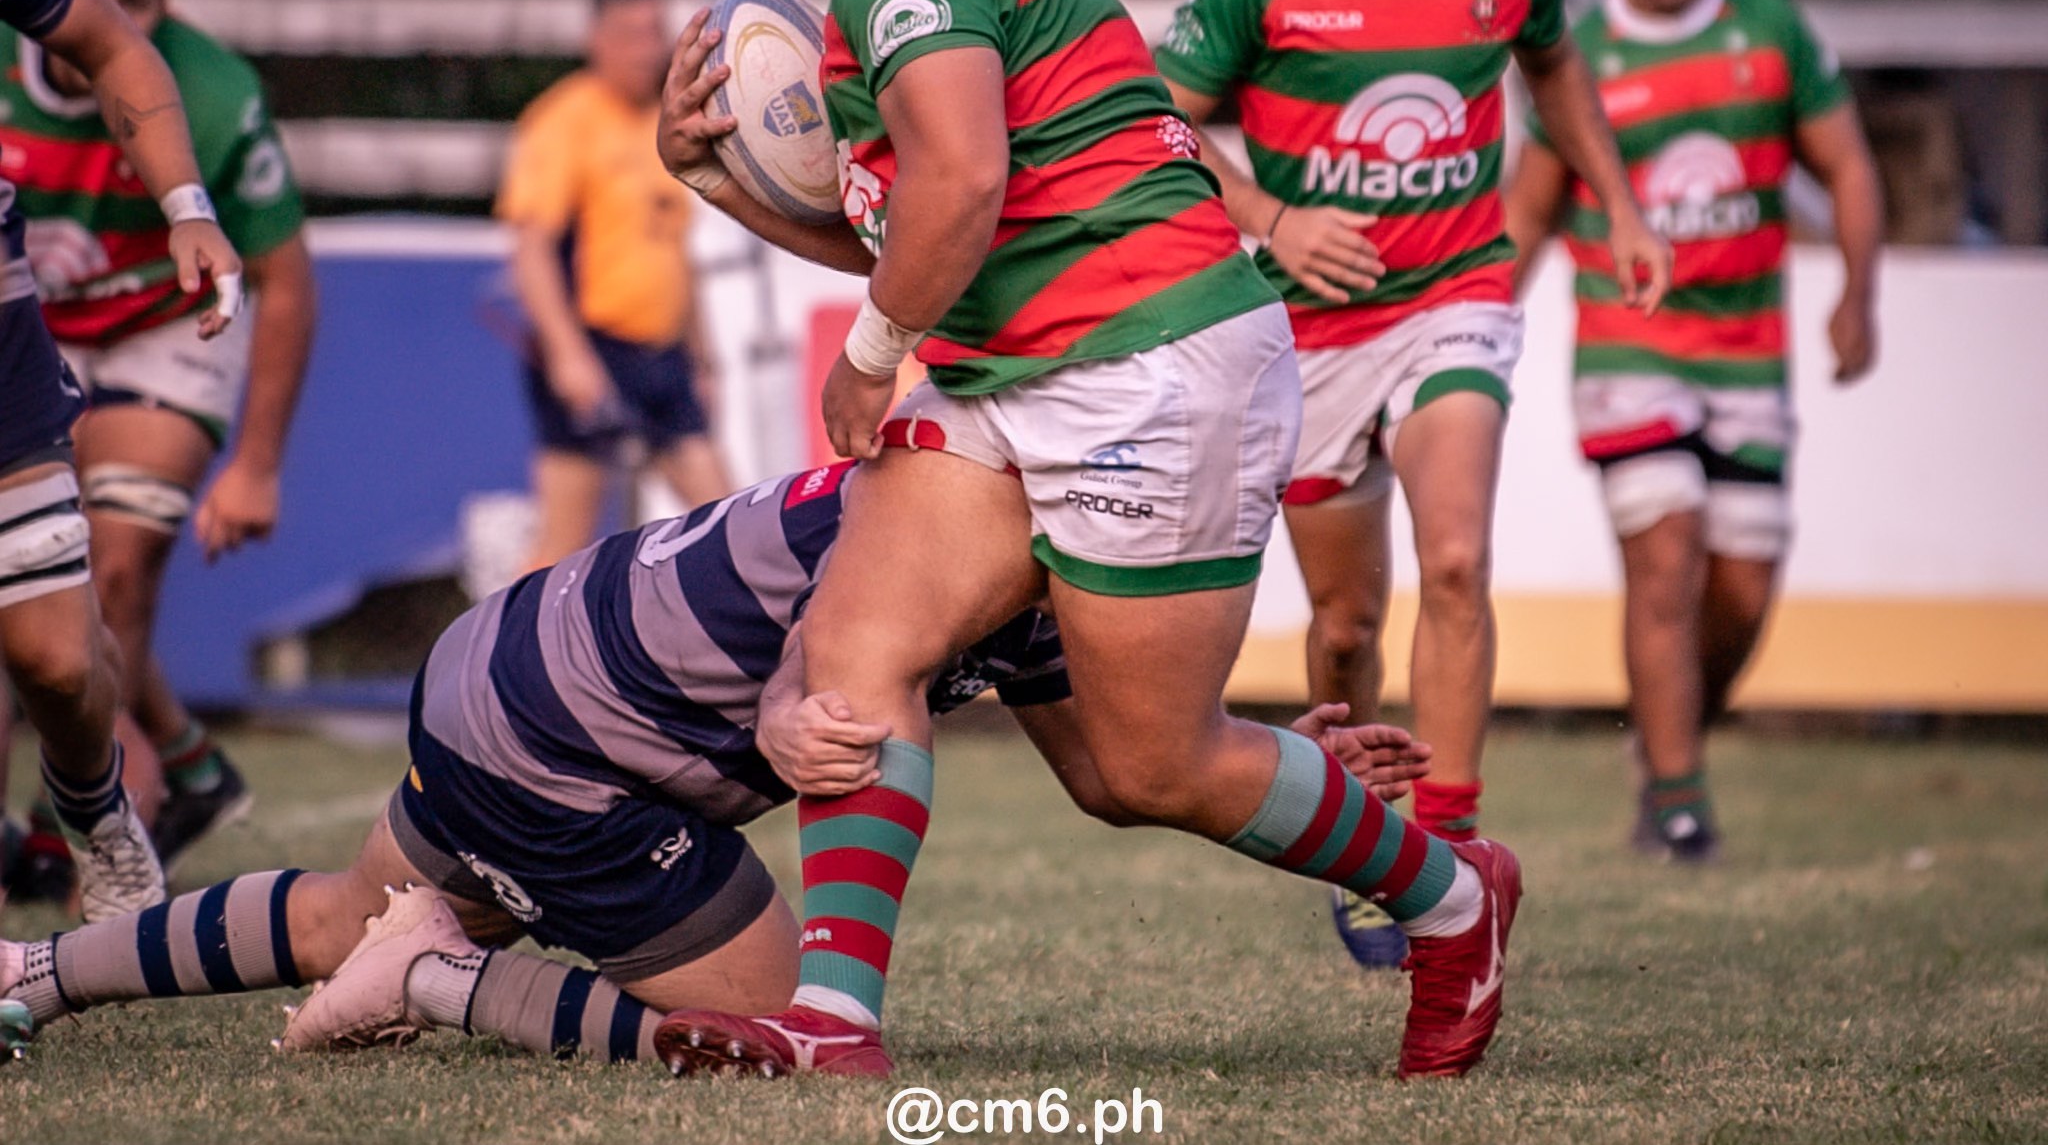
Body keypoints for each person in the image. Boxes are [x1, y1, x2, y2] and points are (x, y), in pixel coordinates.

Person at [651, 0, 1522, 1081]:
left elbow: (965, 180)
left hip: (1147, 361)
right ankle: (835, 1020)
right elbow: (919, 218)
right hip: (1023, 363)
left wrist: (871, 356)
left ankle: (1456, 900)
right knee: (861, 652)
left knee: (1145, 768)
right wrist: (712, 179)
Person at [0, 461, 1433, 1065]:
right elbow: (829, 647)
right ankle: (435, 970)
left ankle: (34, 975)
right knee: (788, 1040)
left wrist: (1259, 750)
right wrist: (787, 722)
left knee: (335, 915)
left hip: (501, 663)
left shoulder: (998, 502)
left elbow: (1120, 762)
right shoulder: (994, 536)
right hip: (565, 745)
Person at [1152, 0, 1671, 965]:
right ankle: (1369, 828)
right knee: (1342, 623)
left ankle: (1451, 849)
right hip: (1306, 328)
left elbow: (1551, 70)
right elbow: (1158, 119)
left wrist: (1616, 200)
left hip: (1455, 294)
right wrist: (1274, 214)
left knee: (1453, 559)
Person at [1504, 0, 1883, 860]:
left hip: (1747, 350)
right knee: (1662, 558)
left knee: (1740, 590)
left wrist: (1856, 291)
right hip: (1627, 345)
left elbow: (1844, 165)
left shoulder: (1766, 28)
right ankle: (1676, 803)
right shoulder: (1580, 54)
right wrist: (1477, 327)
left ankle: (1667, 741)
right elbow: (1528, 213)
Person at [0, 0, 314, 887]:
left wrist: (256, 466)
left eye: (131, 5)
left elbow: (288, 279)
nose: (97, 28)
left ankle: (77, 822)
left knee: (120, 570)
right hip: (28, 317)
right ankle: (180, 761)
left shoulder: (212, 91)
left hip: (160, 321)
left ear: (161, 5)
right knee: (44, 591)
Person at [497, 0, 731, 571]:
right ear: (594, 38)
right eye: (629, 33)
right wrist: (569, 354)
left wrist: (702, 358)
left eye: (654, 32)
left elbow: (677, 255)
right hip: (593, 347)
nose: (645, 49)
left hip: (662, 356)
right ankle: (501, 661)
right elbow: (532, 252)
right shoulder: (563, 121)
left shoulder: (668, 123)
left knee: (727, 519)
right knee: (562, 547)